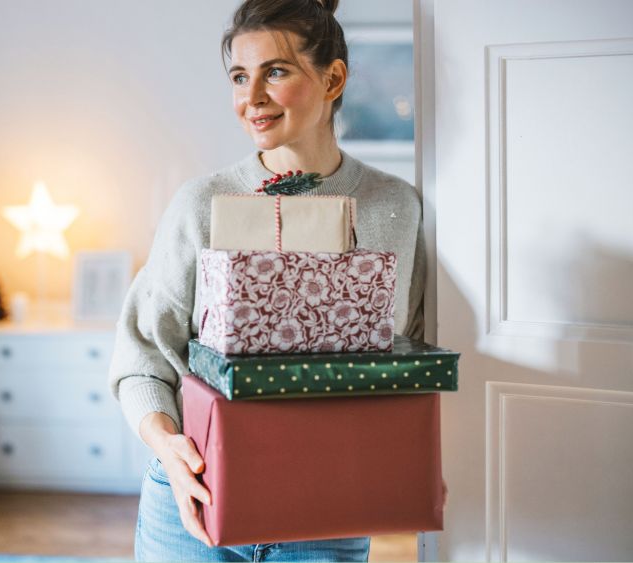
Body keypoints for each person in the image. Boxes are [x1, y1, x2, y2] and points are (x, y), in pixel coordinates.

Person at [108, 0, 425, 560]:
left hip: (330, 511)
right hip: (196, 500)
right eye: (238, 76)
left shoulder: (395, 208)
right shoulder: (201, 203)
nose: (250, 98)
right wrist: (171, 450)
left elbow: (405, 356)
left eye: (275, 72)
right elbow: (141, 360)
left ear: (334, 78)